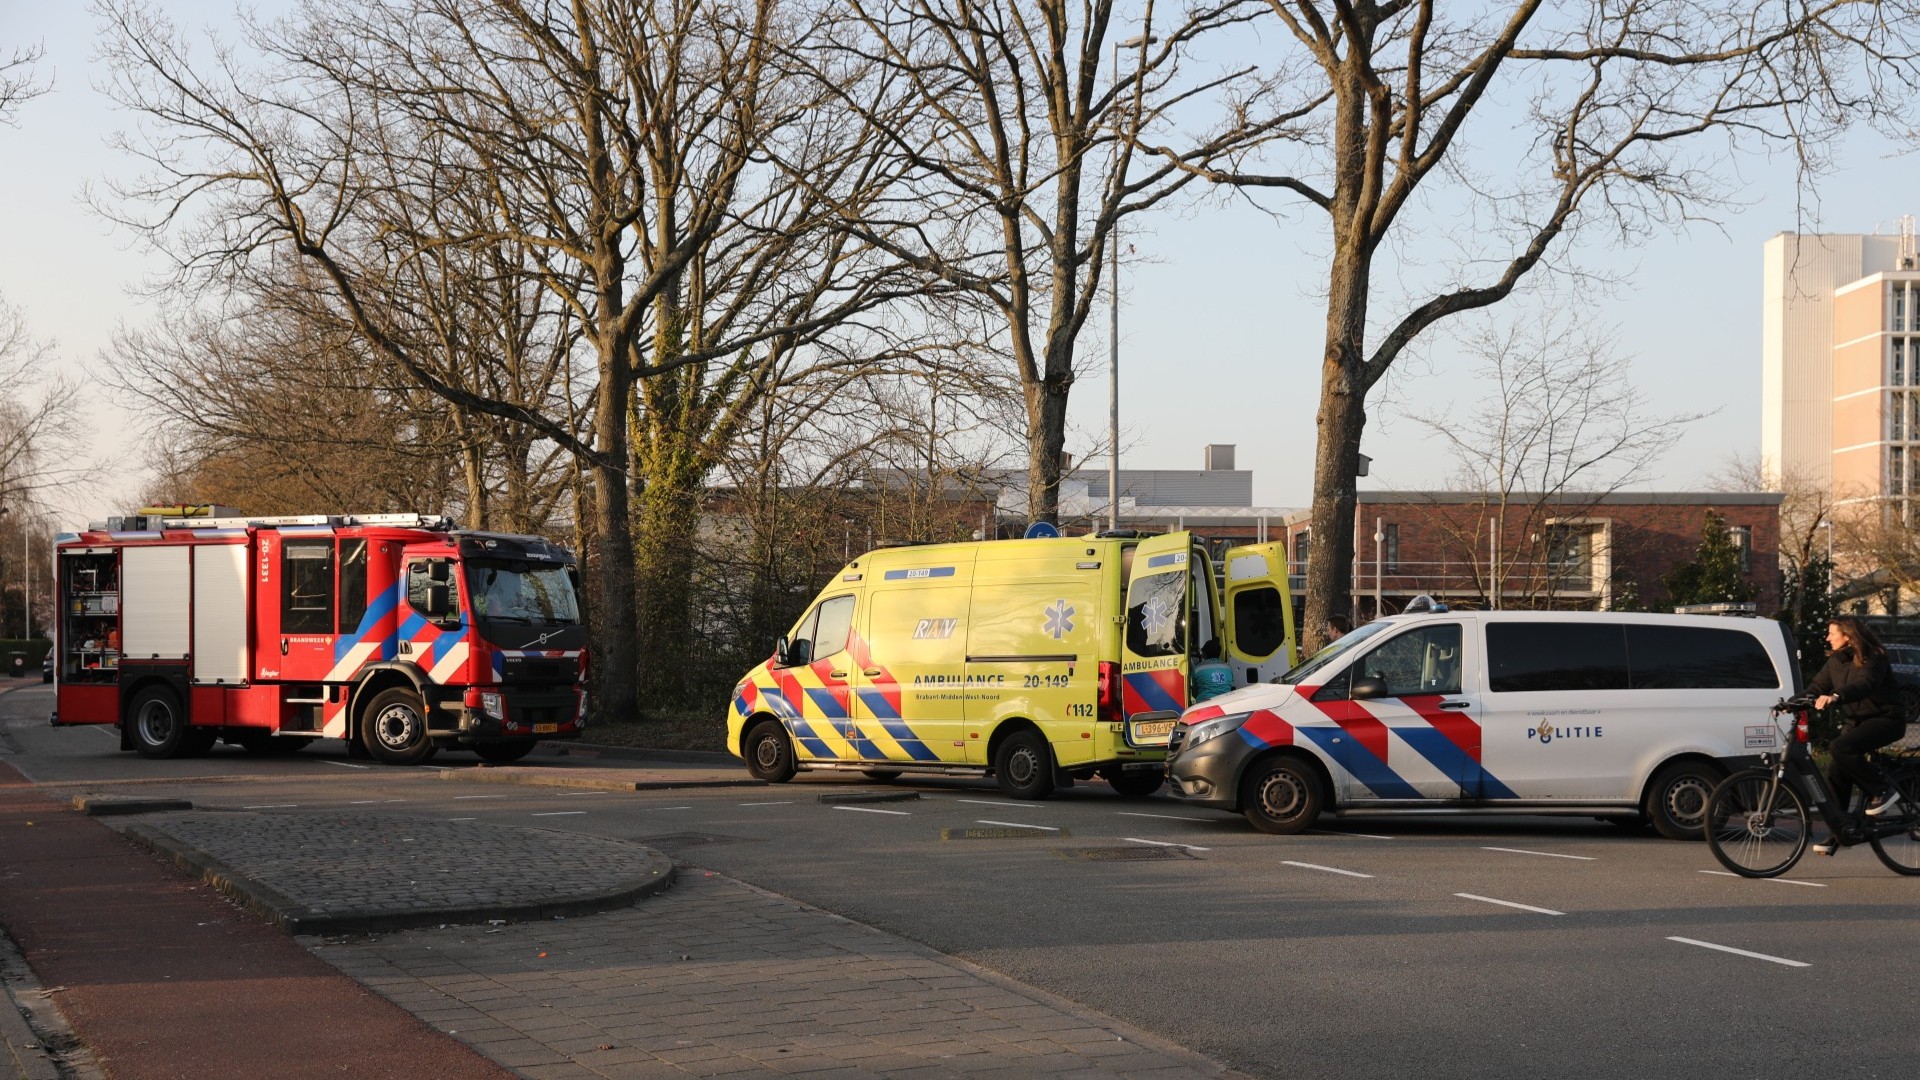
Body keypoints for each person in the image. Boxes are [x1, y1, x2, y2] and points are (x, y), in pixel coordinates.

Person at [1808, 615, 1905, 855]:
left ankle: (1882, 790)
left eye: (1832, 633)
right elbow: (1816, 687)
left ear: (1848, 636)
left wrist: (1837, 696)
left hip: (1885, 719)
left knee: (1841, 747)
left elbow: (1866, 685)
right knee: (1835, 770)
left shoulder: (1873, 656)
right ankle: (1841, 829)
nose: (1827, 638)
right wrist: (1791, 703)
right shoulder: (1836, 661)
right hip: (1857, 721)